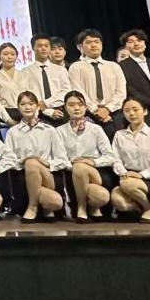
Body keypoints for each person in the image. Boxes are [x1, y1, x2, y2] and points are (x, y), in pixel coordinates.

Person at [0, 91, 67, 221]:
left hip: (48, 175)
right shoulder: (12, 132)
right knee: (31, 164)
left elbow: (62, 160)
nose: (27, 107)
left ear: (37, 107)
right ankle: (40, 207)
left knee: (33, 163)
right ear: (18, 108)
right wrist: (22, 161)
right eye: (23, 104)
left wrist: (45, 163)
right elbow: (8, 159)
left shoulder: (50, 130)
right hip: (23, 176)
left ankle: (32, 206)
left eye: (31, 103)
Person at [55, 90, 119, 223]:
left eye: (80, 104)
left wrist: (92, 162)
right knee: (79, 167)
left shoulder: (96, 129)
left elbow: (110, 156)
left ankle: (82, 207)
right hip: (73, 174)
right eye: (71, 105)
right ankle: (88, 208)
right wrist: (75, 165)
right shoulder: (59, 131)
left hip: (97, 172)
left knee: (99, 194)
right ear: (65, 107)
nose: (76, 108)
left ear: (85, 107)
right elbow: (60, 159)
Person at [111, 97, 150, 223]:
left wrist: (141, 175)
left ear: (145, 111)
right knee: (116, 198)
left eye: (135, 109)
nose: (131, 113)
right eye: (127, 110)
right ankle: (148, 208)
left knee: (128, 184)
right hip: (127, 177)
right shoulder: (119, 135)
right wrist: (124, 173)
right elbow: (115, 159)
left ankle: (149, 208)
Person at [67, 29, 125, 139]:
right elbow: (78, 92)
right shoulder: (76, 67)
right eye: (88, 42)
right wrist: (95, 110)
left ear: (101, 44)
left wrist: (107, 109)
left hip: (114, 114)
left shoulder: (114, 66)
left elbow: (121, 92)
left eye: (96, 42)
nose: (93, 45)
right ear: (81, 46)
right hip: (88, 115)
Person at [118, 29, 150, 130]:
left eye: (139, 40)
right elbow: (129, 89)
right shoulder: (121, 66)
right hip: (142, 113)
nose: (136, 44)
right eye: (131, 41)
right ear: (126, 46)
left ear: (145, 44)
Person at [0, 42, 22, 129]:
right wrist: (9, 121)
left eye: (12, 54)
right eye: (5, 54)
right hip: (7, 119)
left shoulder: (24, 74)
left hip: (26, 116)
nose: (9, 57)